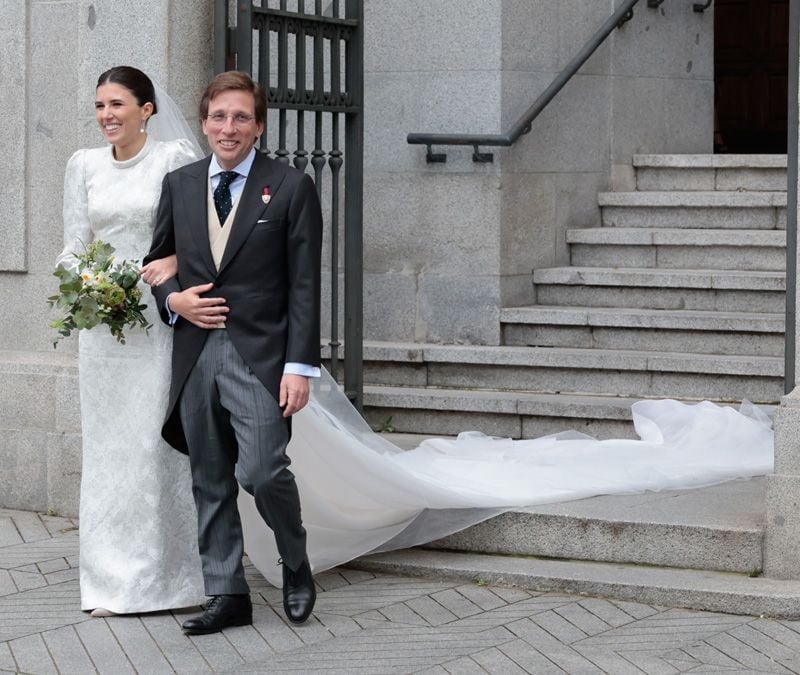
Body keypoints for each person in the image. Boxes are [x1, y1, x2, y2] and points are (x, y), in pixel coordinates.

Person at [144, 71, 322, 634]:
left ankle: (295, 562)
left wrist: (299, 367)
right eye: (219, 117)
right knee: (210, 476)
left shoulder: (290, 187)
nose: (229, 128)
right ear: (204, 124)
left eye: (241, 117)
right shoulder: (180, 183)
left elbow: (304, 286)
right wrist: (175, 301)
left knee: (264, 471)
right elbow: (158, 264)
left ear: (259, 125)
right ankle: (228, 594)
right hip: (195, 353)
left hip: (260, 356)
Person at [57, 66, 205, 615]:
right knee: (108, 451)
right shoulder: (83, 166)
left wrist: (171, 262)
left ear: (147, 110)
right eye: (99, 106)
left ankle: (167, 578)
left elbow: (203, 236)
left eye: (117, 104)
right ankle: (106, 582)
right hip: (102, 327)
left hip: (159, 318)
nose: (107, 116)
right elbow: (73, 247)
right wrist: (88, 283)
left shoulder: (171, 160)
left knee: (151, 445)